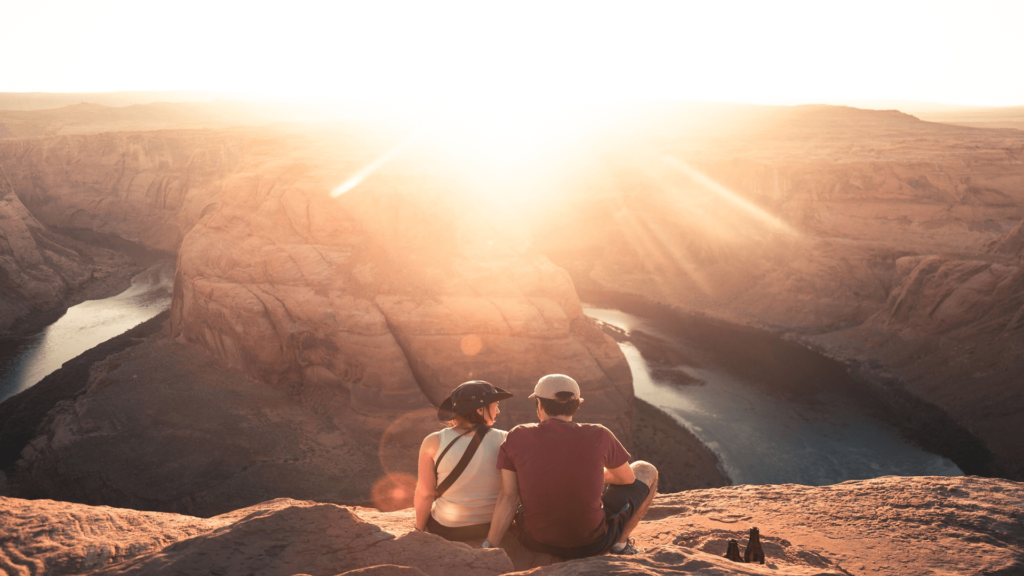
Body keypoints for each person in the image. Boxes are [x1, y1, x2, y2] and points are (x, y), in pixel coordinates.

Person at [483, 374, 658, 557]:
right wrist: (598, 473)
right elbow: (627, 479)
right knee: (646, 469)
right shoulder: (600, 434)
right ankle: (620, 546)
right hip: (592, 545)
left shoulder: (517, 435)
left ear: (540, 405)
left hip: (535, 541)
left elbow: (509, 495)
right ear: (576, 405)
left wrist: (489, 546)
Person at [413, 380, 513, 541]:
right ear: (480, 409)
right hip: (491, 526)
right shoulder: (507, 439)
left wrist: (419, 529)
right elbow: (512, 491)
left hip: (448, 528)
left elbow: (426, 493)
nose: (498, 411)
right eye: (496, 405)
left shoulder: (433, 441)